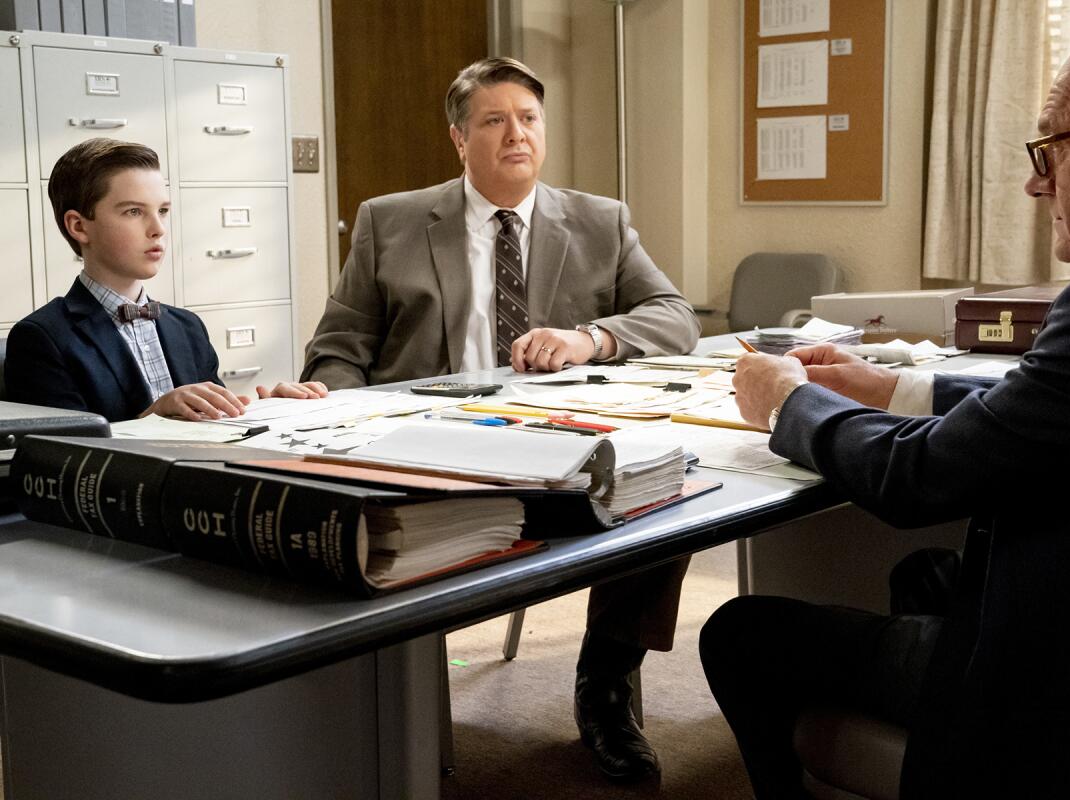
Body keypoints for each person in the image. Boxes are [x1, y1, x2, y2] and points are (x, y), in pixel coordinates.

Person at [702, 8, 1070, 799]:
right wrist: (890, 386)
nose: (1038, 181)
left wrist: (786, 401)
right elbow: (1062, 405)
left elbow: (921, 478)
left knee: (738, 631)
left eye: (1052, 149)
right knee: (928, 574)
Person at [300, 58, 701, 781]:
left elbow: (673, 316)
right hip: (427, 439)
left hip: (558, 432)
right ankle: (396, 727)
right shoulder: (389, 220)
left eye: (528, 118)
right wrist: (336, 425)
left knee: (662, 503)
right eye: (494, 120)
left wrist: (592, 338)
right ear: (459, 139)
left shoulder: (599, 220)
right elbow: (338, 348)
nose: (516, 133)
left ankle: (604, 686)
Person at [5, 138, 327, 422]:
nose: (158, 228)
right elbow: (62, 457)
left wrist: (272, 413)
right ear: (79, 226)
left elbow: (217, 428)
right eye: (133, 212)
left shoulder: (188, 328)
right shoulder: (41, 338)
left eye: (163, 210)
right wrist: (154, 416)